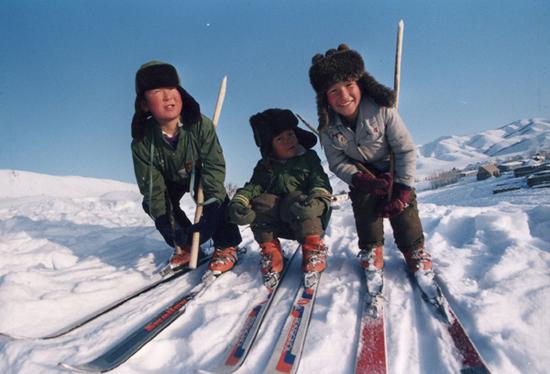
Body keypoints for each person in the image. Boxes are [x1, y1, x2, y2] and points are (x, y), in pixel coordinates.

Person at [308, 44, 436, 299]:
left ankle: (414, 251)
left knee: (403, 208)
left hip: (393, 169)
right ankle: (371, 250)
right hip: (364, 175)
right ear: (325, 97)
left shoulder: (382, 109)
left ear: (360, 83)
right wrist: (359, 180)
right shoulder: (327, 127)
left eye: (348, 85)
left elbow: (406, 150)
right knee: (364, 203)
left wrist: (402, 187)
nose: (343, 95)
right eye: (334, 91)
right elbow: (336, 162)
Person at [131, 61, 241, 274]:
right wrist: (165, 223)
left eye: (172, 88)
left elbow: (214, 168)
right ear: (144, 104)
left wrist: (210, 211)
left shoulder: (201, 125)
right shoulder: (142, 142)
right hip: (169, 177)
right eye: (157, 91)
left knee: (216, 198)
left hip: (199, 172)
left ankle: (226, 244)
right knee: (156, 205)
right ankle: (186, 245)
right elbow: (152, 187)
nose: (168, 96)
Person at [226, 109, 332, 288]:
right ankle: (271, 251)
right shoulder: (265, 166)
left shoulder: (308, 158)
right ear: (270, 146)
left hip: (304, 217)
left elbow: (319, 181)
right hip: (277, 221)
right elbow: (252, 187)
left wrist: (318, 201)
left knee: (299, 198)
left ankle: (313, 249)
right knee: (261, 202)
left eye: (290, 134)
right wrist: (239, 202)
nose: (288, 140)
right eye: (280, 139)